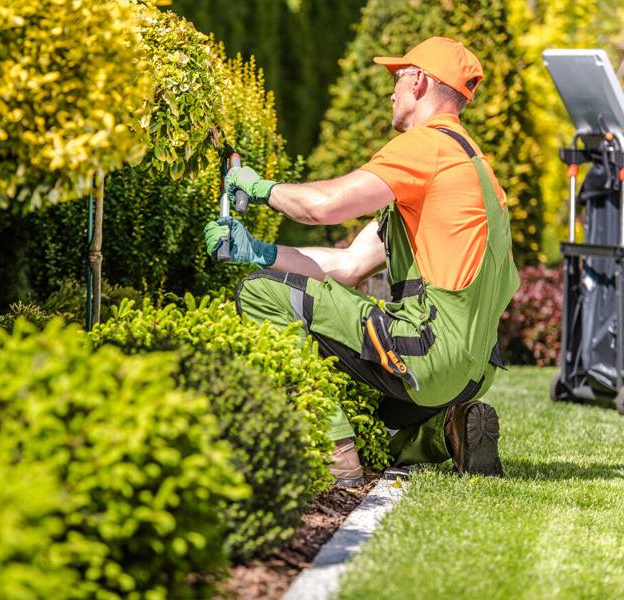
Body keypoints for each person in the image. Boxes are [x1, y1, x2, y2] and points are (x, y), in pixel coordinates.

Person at [204, 37, 520, 486]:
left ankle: (333, 454)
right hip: (472, 371)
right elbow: (350, 264)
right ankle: (446, 431)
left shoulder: (426, 146)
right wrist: (257, 251)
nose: (390, 92)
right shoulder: (472, 167)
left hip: (429, 353)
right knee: (369, 418)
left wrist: (259, 188)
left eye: (397, 79)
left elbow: (323, 207)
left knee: (258, 293)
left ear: (420, 82)